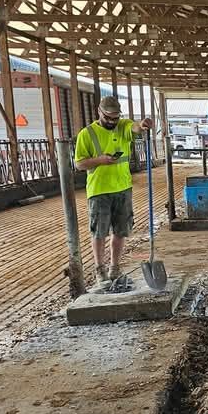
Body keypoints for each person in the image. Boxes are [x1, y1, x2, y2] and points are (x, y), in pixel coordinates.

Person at [74, 95, 153, 285]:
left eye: (115, 117)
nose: (111, 121)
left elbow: (133, 127)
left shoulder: (123, 126)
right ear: (99, 112)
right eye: (108, 117)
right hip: (99, 190)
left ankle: (114, 269)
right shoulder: (87, 134)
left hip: (123, 188)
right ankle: (100, 270)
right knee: (99, 232)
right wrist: (99, 160)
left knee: (120, 231)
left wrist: (142, 125)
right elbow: (79, 164)